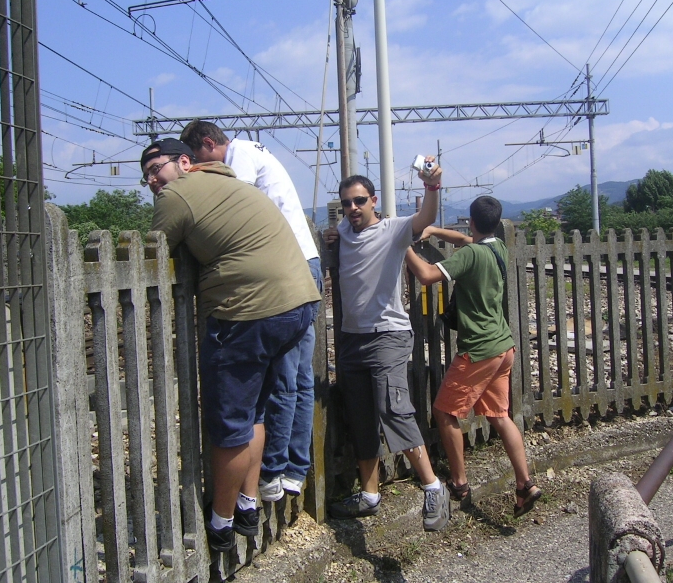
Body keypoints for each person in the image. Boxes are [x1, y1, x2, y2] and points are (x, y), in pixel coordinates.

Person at [143, 138, 321, 552]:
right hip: (298, 304)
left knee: (228, 426)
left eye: (158, 167)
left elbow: (155, 249)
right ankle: (248, 501)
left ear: (185, 162)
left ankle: (220, 522)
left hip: (248, 312)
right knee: (254, 410)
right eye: (147, 175)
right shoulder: (232, 182)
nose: (153, 179)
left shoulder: (176, 195)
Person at [179, 121, 321, 503]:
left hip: (286, 271)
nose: (194, 168)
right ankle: (295, 466)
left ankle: (274, 471)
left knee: (285, 380)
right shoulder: (256, 150)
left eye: (197, 159)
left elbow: (225, 206)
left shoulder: (239, 160)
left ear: (210, 144)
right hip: (303, 262)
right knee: (300, 378)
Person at [323, 161, 450, 532]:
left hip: (388, 336)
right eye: (346, 203)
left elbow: (425, 216)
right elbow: (339, 232)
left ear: (373, 200)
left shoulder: (393, 230)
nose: (352, 208)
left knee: (392, 407)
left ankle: (432, 486)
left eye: (359, 201)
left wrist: (432, 187)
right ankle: (369, 495)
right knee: (361, 417)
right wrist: (332, 234)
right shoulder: (343, 233)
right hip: (352, 340)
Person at [404, 196, 542, 517]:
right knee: (499, 416)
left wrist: (403, 246)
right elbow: (467, 239)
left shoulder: (469, 256)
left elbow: (426, 275)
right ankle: (525, 484)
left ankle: (460, 482)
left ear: (471, 220)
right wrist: (435, 230)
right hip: (503, 348)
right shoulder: (497, 249)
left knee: (444, 412)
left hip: (478, 350)